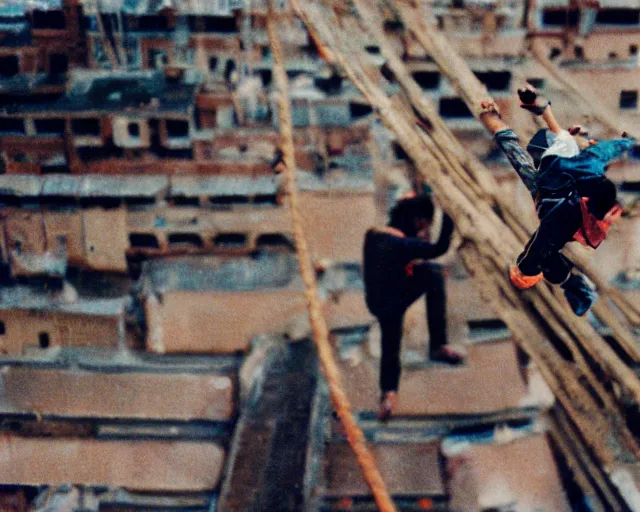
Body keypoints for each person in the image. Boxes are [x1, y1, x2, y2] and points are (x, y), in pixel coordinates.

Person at [479, 85, 635, 316]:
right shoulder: (570, 150)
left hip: (566, 205)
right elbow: (517, 142)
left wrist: (494, 116)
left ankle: (569, 284)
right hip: (564, 208)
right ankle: (570, 285)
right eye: (580, 134)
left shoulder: (578, 157)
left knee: (535, 258)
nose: (583, 136)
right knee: (536, 259)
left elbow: (515, 145)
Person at [363, 194, 463, 421]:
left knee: (390, 345)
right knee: (434, 276)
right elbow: (439, 248)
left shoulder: (373, 235)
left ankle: (388, 395)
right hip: (393, 300)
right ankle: (438, 345)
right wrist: (450, 214)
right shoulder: (402, 245)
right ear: (416, 222)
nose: (424, 234)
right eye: (423, 228)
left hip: (377, 298)